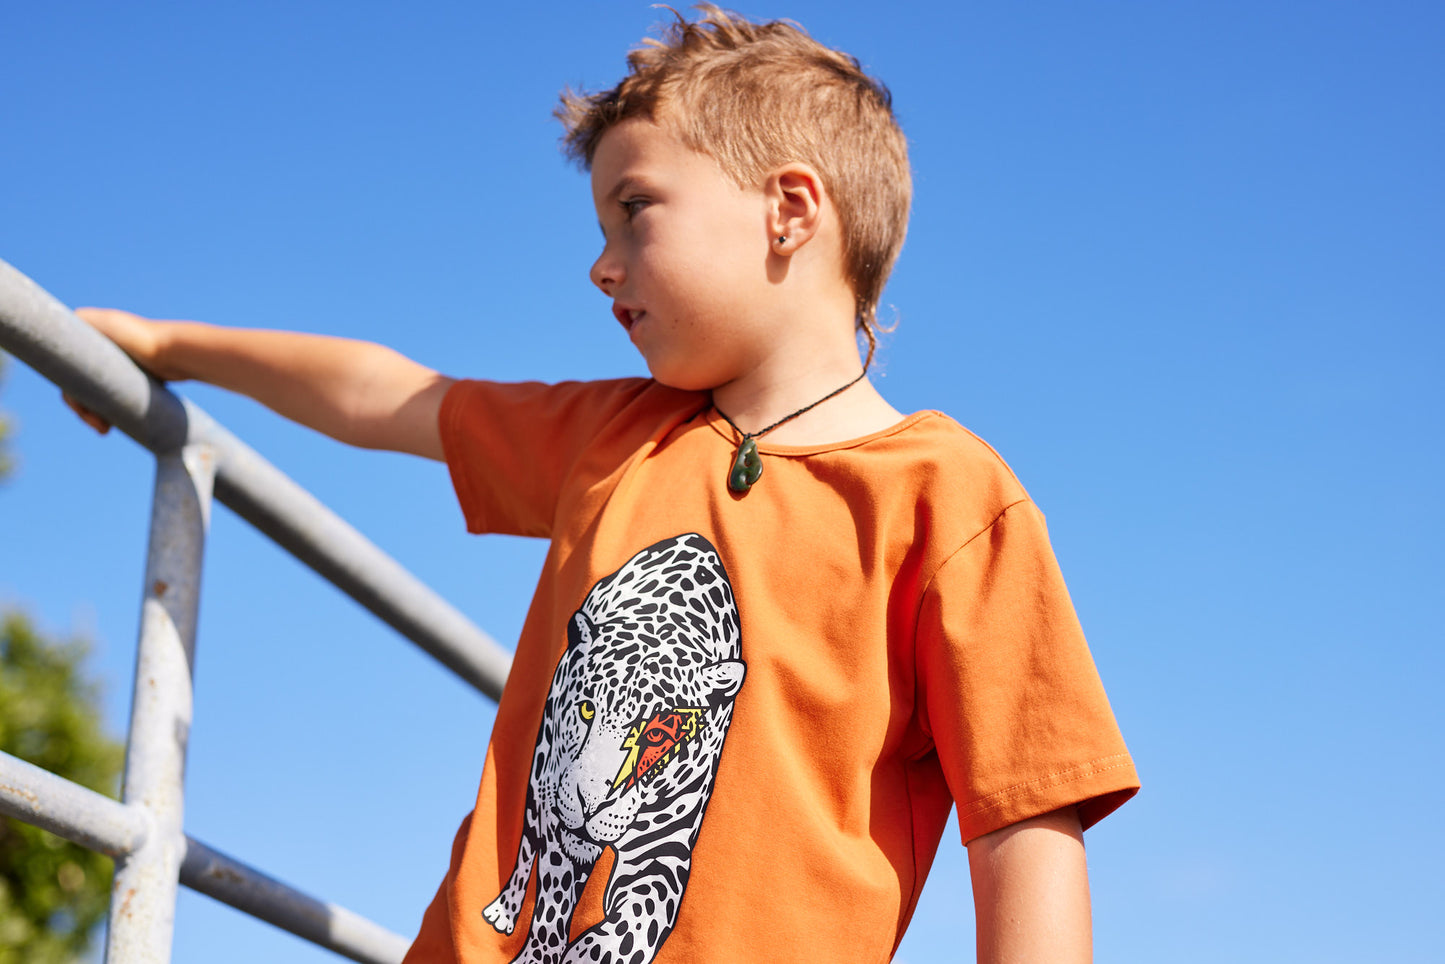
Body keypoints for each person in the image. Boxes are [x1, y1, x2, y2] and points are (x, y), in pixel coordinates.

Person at [70, 7, 1137, 962]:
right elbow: (387, 396)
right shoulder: (611, 435)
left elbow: (1024, 829)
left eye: (636, 210)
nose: (602, 263)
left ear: (790, 210)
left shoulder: (947, 496)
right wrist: (168, 343)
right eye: (598, 229)